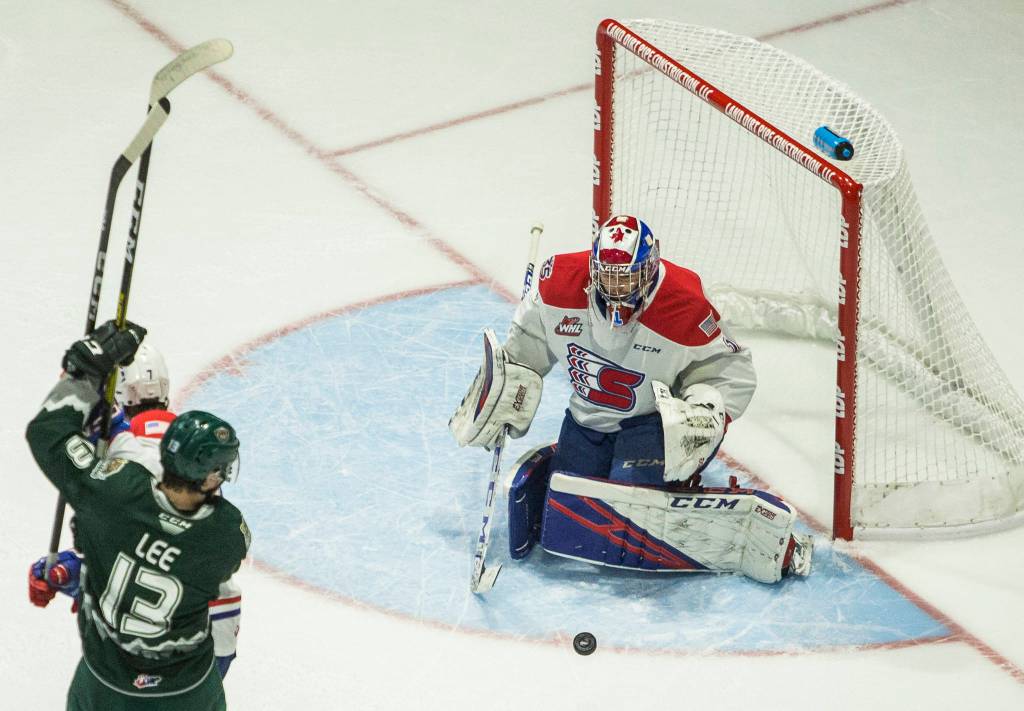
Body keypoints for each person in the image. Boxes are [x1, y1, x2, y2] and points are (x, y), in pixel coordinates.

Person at [451, 215, 812, 583]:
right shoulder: (558, 285)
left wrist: (702, 412)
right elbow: (526, 350)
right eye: (608, 275)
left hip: (649, 424)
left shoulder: (683, 305)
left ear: (652, 267)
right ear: (593, 269)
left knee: (631, 509)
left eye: (628, 275)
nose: (618, 286)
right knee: (572, 520)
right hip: (586, 418)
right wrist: (507, 388)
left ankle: (672, 482)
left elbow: (730, 370)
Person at [26, 320, 250, 709]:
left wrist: (80, 378)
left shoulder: (116, 490)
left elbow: (50, 436)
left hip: (109, 681)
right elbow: (164, 560)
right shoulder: (228, 534)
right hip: (190, 685)